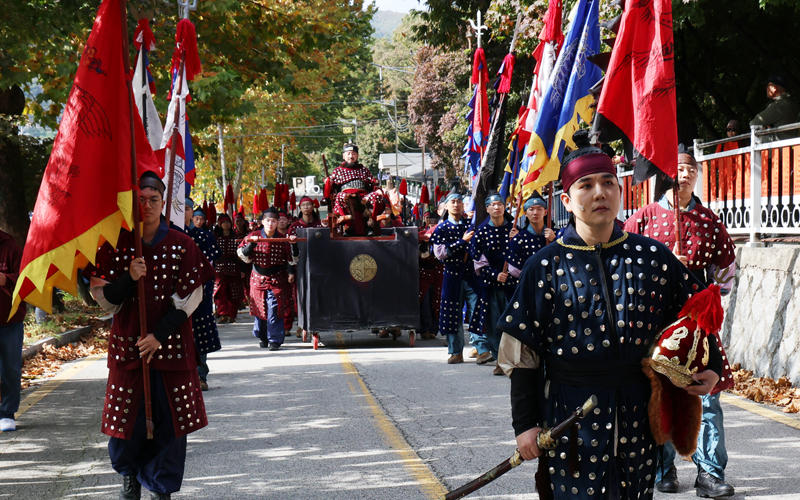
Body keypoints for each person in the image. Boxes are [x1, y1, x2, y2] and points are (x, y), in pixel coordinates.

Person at [496, 134, 725, 500]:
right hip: (568, 415)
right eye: (586, 185)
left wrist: (712, 366)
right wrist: (525, 425)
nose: (600, 193)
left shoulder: (652, 256)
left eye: (608, 183)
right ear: (568, 201)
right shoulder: (544, 266)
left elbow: (697, 314)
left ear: (620, 191)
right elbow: (523, 355)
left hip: (638, 411)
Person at [85, 171, 213, 500]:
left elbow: (189, 300)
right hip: (129, 348)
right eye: (140, 199)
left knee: (170, 424)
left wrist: (158, 335)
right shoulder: (116, 244)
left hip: (170, 349)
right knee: (126, 423)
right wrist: (129, 277)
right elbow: (105, 301)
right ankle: (130, 483)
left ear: (163, 201)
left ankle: (161, 490)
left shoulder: (183, 244)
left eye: (153, 199)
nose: (147, 205)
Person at [624, 146, 737, 497]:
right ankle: (663, 467)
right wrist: (663, 264)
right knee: (660, 392)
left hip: (698, 324)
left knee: (707, 394)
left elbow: (727, 269)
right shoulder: (642, 218)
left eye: (690, 168)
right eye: (679, 168)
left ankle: (710, 472)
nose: (684, 174)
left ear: (696, 174)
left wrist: (710, 295)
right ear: (667, 174)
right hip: (658, 321)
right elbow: (626, 268)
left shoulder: (709, 221)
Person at [469, 193, 518, 375]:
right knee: (495, 324)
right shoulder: (481, 232)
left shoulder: (514, 229)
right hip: (491, 286)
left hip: (512, 285)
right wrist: (495, 275)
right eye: (493, 205)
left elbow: (523, 257)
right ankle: (499, 359)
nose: (497, 207)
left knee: (512, 324)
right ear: (487, 208)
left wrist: (518, 239)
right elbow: (478, 261)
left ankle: (512, 360)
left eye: (500, 204)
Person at [429, 193, 478, 363]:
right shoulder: (441, 229)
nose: (456, 205)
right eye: (453, 202)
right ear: (446, 206)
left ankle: (481, 347)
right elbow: (441, 254)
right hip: (451, 275)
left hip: (471, 275)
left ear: (464, 206)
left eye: (459, 202)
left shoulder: (471, 226)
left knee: (476, 310)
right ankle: (455, 351)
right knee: (452, 314)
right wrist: (461, 242)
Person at [238, 208, 296, 351]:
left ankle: (274, 340)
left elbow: (292, 258)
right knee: (260, 310)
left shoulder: (283, 239)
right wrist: (252, 244)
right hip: (257, 278)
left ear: (277, 223)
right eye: (268, 220)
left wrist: (294, 244)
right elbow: (242, 254)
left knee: (274, 309)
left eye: (273, 221)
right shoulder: (254, 235)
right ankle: (263, 336)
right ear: (262, 222)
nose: (270, 223)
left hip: (276, 278)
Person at [187, 207, 221, 392]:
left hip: (201, 288)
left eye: (186, 209)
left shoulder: (206, 236)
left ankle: (201, 374)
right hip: (175, 291)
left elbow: (212, 260)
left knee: (200, 330)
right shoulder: (172, 233)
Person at [329, 142, 385, 235]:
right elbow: (331, 186)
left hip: (363, 196)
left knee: (376, 196)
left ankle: (369, 225)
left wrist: (377, 189)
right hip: (346, 196)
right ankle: (348, 226)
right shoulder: (338, 171)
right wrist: (328, 183)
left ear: (357, 156)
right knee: (340, 196)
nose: (351, 156)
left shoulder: (364, 170)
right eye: (348, 154)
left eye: (353, 154)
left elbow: (372, 183)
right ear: (343, 156)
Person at [0, 229, 25, 433]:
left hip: (10, 322)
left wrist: (6, 279)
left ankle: (7, 413)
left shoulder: (11, 248)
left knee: (10, 369)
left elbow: (27, 279)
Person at [287, 196, 323, 338]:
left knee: (317, 296)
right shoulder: (294, 227)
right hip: (300, 268)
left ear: (313, 207)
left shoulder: (320, 224)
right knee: (300, 298)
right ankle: (302, 324)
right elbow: (289, 250)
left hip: (319, 267)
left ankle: (316, 325)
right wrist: (291, 271)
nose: (306, 207)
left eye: (309, 204)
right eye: (304, 205)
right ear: (300, 208)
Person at [506, 193, 556, 279]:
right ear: (525, 213)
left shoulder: (557, 234)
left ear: (545, 212)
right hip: (529, 284)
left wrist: (555, 241)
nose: (535, 213)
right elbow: (513, 269)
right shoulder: (519, 238)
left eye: (539, 209)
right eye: (531, 209)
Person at [213, 213, 244, 324]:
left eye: (228, 222)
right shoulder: (215, 237)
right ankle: (223, 313)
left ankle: (232, 314)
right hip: (220, 268)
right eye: (224, 222)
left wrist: (242, 269)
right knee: (220, 292)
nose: (226, 225)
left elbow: (242, 254)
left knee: (233, 292)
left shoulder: (236, 237)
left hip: (234, 267)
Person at [750, 74, 799, 143]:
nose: (766, 88)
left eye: (767, 86)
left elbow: (754, 123)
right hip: (791, 146)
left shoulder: (779, 105)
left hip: (779, 149)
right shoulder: (792, 103)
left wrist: (765, 127)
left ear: (774, 88)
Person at [418, 211, 443, 340]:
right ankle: (425, 328)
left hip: (438, 272)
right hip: (425, 273)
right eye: (428, 218)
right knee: (425, 300)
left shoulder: (443, 232)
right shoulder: (422, 233)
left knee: (437, 301)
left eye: (433, 219)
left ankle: (434, 328)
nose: (431, 221)